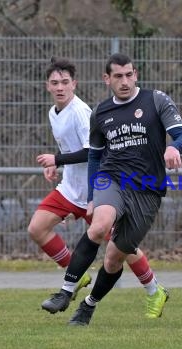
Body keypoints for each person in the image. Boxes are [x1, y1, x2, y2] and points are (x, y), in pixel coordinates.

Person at [41, 53, 182, 325]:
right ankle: (65, 292)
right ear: (107, 79)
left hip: (147, 189)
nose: (125, 81)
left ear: (136, 74)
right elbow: (95, 157)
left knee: (113, 259)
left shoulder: (156, 100)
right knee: (99, 227)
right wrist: (91, 196)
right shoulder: (101, 113)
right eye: (118, 76)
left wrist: (173, 146)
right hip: (112, 179)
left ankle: (88, 306)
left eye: (129, 75)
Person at [29, 57, 157, 304]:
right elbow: (70, 149)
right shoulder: (54, 112)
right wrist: (57, 164)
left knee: (121, 246)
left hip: (97, 188)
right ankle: (76, 276)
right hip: (69, 189)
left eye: (64, 82)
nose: (59, 87)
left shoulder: (80, 112)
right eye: (54, 83)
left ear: (74, 84)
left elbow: (92, 152)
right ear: (47, 86)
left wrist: (57, 159)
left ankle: (153, 288)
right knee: (37, 228)